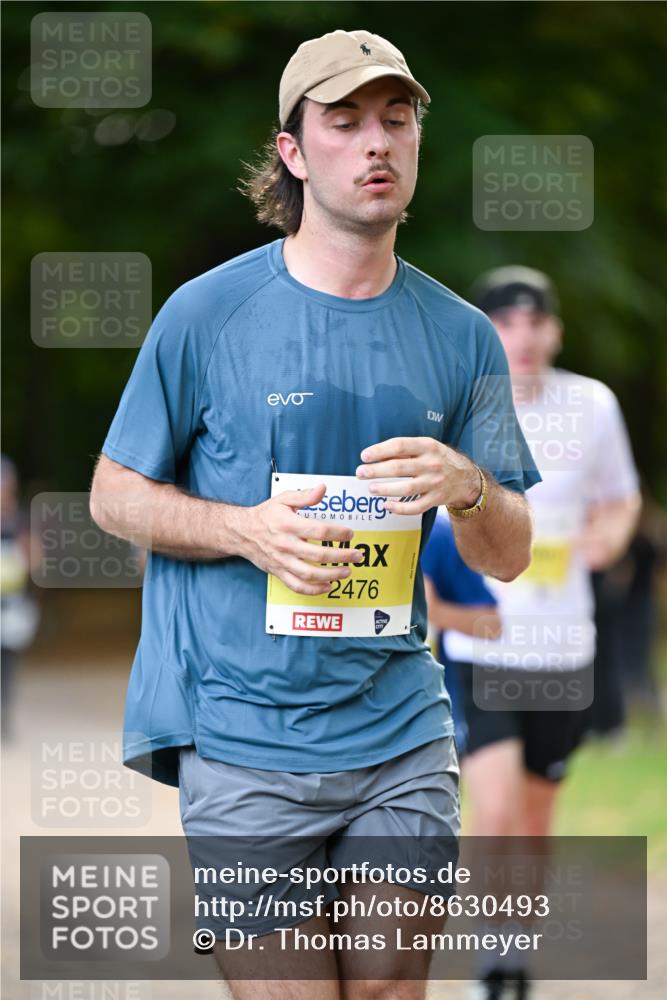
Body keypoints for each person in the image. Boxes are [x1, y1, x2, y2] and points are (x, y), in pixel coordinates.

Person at [90, 30, 540, 999]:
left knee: (387, 985)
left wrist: (467, 485)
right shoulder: (204, 318)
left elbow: (508, 554)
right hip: (243, 738)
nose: (376, 142)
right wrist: (241, 528)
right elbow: (111, 494)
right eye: (345, 123)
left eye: (396, 118)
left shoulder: (462, 337)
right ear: (293, 152)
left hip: (397, 729)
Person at [445, 266, 641, 999]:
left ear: (554, 330)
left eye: (534, 322)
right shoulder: (461, 405)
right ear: (485, 331)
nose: (521, 338)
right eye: (504, 323)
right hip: (481, 642)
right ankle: (488, 957)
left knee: (531, 817)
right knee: (491, 810)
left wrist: (605, 541)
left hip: (564, 647)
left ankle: (511, 952)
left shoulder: (592, 405)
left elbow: (619, 500)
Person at [420, 512, 501, 753]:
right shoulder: (323, 524)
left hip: (431, 717)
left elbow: (492, 624)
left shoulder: (437, 535)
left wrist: (435, 612)